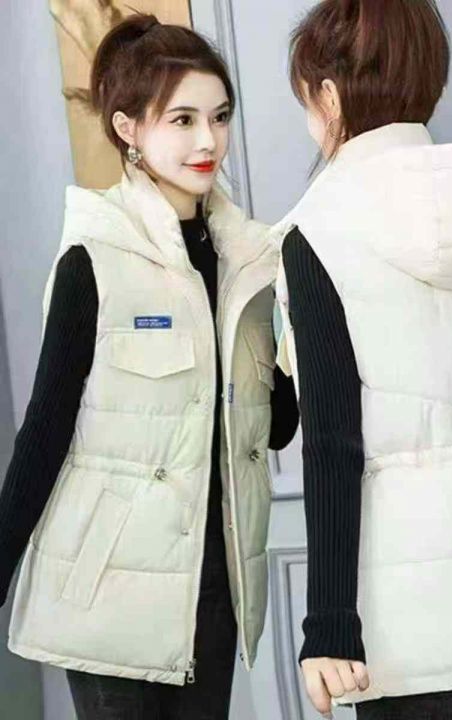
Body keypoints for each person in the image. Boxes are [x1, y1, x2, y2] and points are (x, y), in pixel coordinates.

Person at [0, 14, 298, 720]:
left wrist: (299, 333)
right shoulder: (94, 260)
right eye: (182, 119)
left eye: (219, 117)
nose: (208, 141)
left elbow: (278, 426)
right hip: (109, 590)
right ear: (128, 128)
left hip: (212, 588)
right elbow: (45, 429)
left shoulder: (250, 263)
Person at [271, 0, 452, 717]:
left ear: (329, 97)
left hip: (403, 611)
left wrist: (328, 624)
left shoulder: (318, 231)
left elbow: (333, 442)